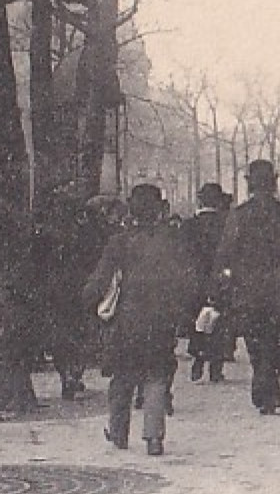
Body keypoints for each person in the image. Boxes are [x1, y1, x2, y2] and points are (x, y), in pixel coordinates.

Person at [82, 184, 198, 456]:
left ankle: (118, 432)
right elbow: (188, 281)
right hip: (161, 319)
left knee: (123, 376)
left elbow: (100, 280)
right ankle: (154, 437)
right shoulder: (173, 241)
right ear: (160, 208)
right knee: (157, 376)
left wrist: (87, 300)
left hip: (127, 319)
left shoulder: (119, 242)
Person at [212, 160, 280, 415]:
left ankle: (265, 389)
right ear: (273, 182)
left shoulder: (239, 216)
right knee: (270, 337)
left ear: (249, 184)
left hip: (245, 291)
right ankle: (268, 389)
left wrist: (222, 285)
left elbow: (225, 255)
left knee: (255, 342)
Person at [182, 183, 232, 382]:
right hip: (221, 279)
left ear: (200, 200)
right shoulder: (227, 224)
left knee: (197, 320)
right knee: (220, 321)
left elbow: (182, 254)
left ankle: (198, 357)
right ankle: (216, 367)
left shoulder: (188, 225)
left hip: (195, 280)